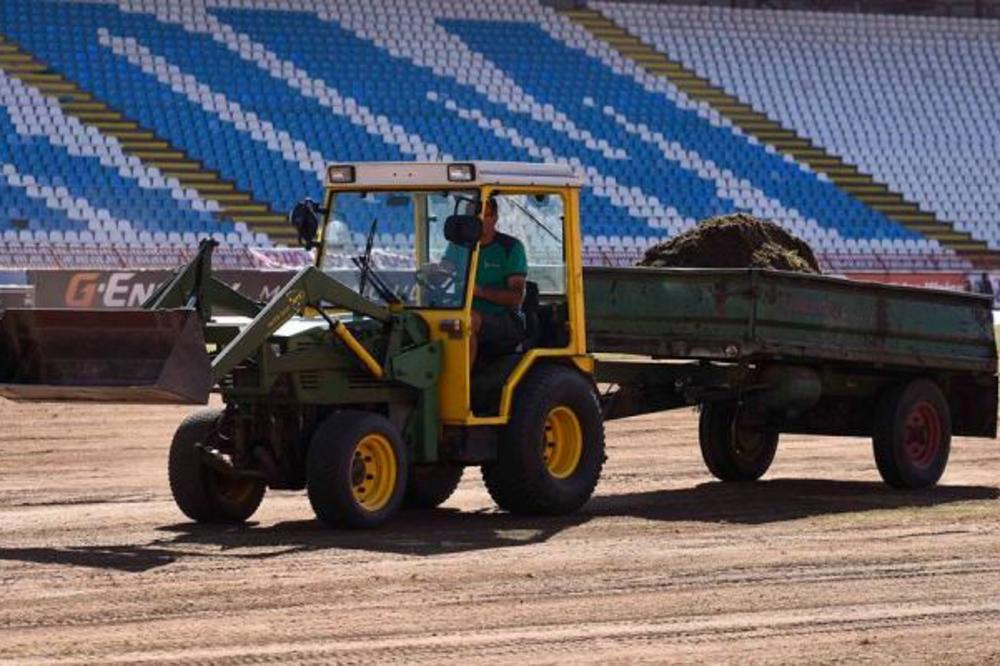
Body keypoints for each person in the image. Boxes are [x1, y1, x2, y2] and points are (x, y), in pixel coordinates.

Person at [440, 197, 528, 367]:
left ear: (494, 218)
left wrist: (478, 291)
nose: (478, 219)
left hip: (504, 318)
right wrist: (433, 272)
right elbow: (445, 270)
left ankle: (461, 381)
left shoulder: (510, 248)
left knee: (466, 320)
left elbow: (516, 297)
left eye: (484, 215)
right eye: (473, 215)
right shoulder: (458, 246)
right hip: (461, 309)